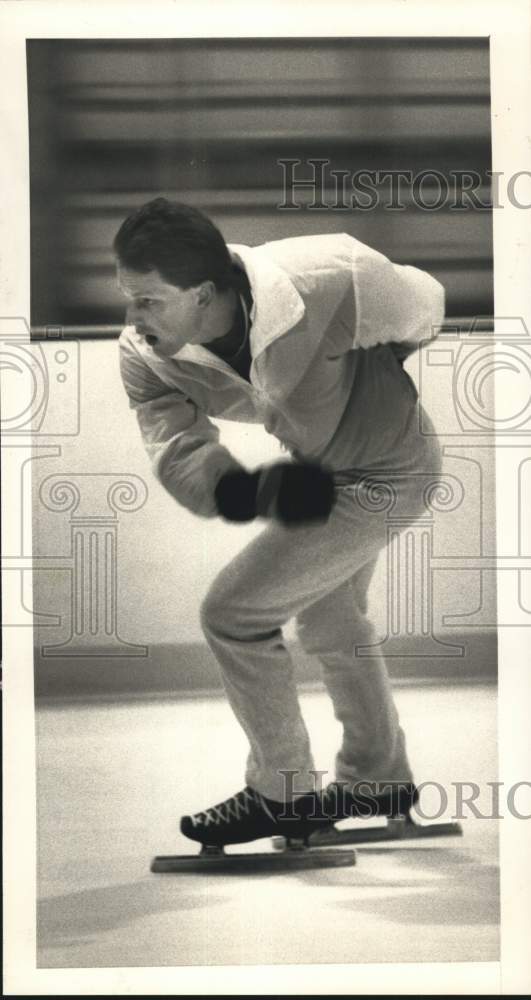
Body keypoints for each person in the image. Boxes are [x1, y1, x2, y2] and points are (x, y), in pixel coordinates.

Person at [115, 197, 445, 851]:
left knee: (233, 613)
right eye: (126, 297)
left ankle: (282, 794)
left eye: (148, 299)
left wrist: (378, 374)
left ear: (203, 293)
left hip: (392, 472)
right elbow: (176, 445)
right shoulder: (145, 355)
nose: (132, 317)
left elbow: (423, 306)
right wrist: (242, 491)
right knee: (328, 620)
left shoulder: (327, 276)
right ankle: (377, 782)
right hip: (324, 479)